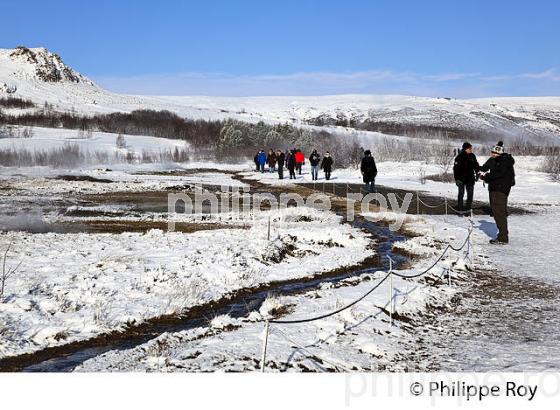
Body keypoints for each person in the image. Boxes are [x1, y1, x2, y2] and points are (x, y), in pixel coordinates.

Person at [478, 141, 516, 244]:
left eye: (495, 153)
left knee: (499, 213)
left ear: (500, 153)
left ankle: (503, 238)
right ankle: (503, 234)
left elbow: (498, 174)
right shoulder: (493, 160)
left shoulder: (504, 161)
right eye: (492, 152)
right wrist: (478, 169)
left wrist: (485, 177)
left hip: (500, 190)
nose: (493, 154)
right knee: (496, 212)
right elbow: (484, 167)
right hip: (494, 189)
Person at [453, 142, 480, 214]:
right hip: (461, 179)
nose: (471, 149)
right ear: (465, 149)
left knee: (470, 195)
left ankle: (468, 209)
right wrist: (457, 179)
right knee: (461, 194)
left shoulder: (472, 156)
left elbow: (476, 165)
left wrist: (478, 173)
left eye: (471, 148)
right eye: (469, 148)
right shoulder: (459, 157)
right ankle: (460, 209)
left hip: (470, 179)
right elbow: (455, 169)